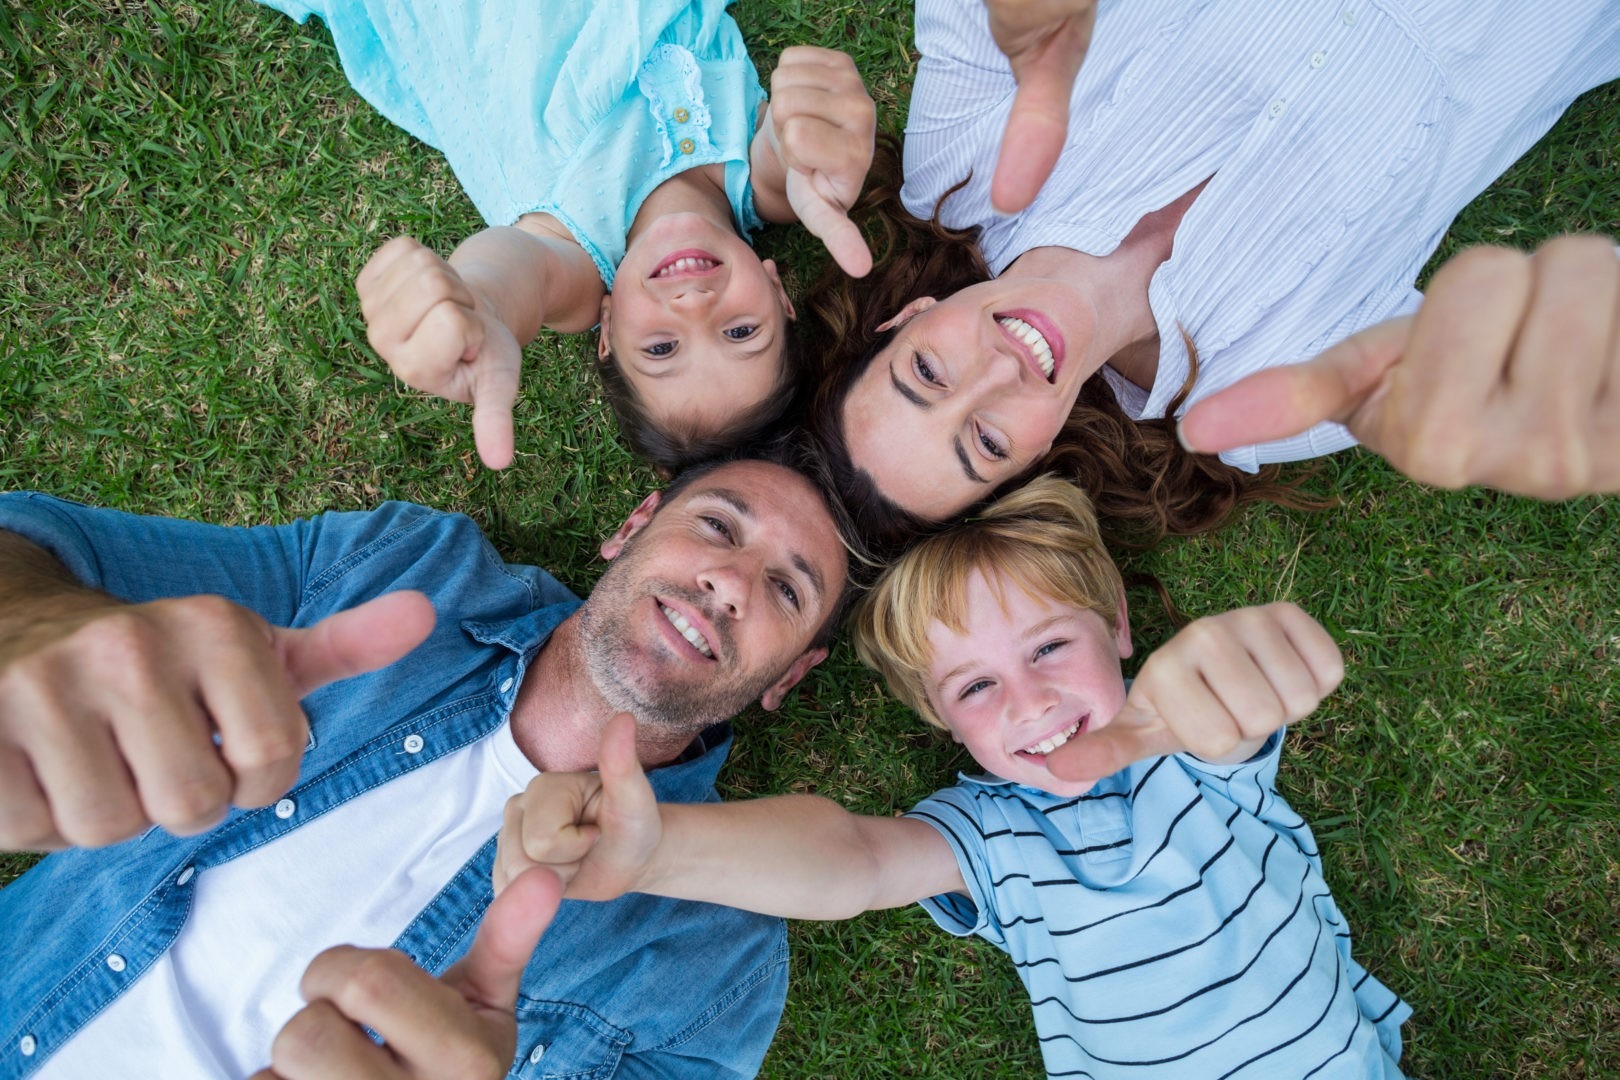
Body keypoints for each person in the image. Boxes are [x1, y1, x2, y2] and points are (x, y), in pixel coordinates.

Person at [499, 476, 1411, 1078]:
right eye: (976, 687)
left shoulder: (1193, 753)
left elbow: (1235, 700)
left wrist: (1241, 662)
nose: (1031, 701)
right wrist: (663, 850)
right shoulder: (996, 835)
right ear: (942, 719)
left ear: (1118, 626)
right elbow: (857, 861)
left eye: (1049, 647)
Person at [0, 448, 851, 1078]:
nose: (731, 583)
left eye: (787, 590)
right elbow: (42, 544)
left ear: (787, 677)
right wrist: (32, 624)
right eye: (717, 526)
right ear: (630, 528)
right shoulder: (407, 569)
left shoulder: (711, 957)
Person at [804, 0, 1620, 549]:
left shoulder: (957, 167)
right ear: (1034, 461)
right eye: (986, 442)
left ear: (909, 314)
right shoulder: (1262, 392)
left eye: (928, 372)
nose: (997, 374)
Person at [254, 0, 876, 472]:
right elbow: (784, 157)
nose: (694, 307)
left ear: (606, 330)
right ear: (779, 294)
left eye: (661, 348)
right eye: (740, 332)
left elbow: (522, 271)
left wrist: (483, 301)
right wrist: (811, 136)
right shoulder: (767, 183)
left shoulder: (577, 262)